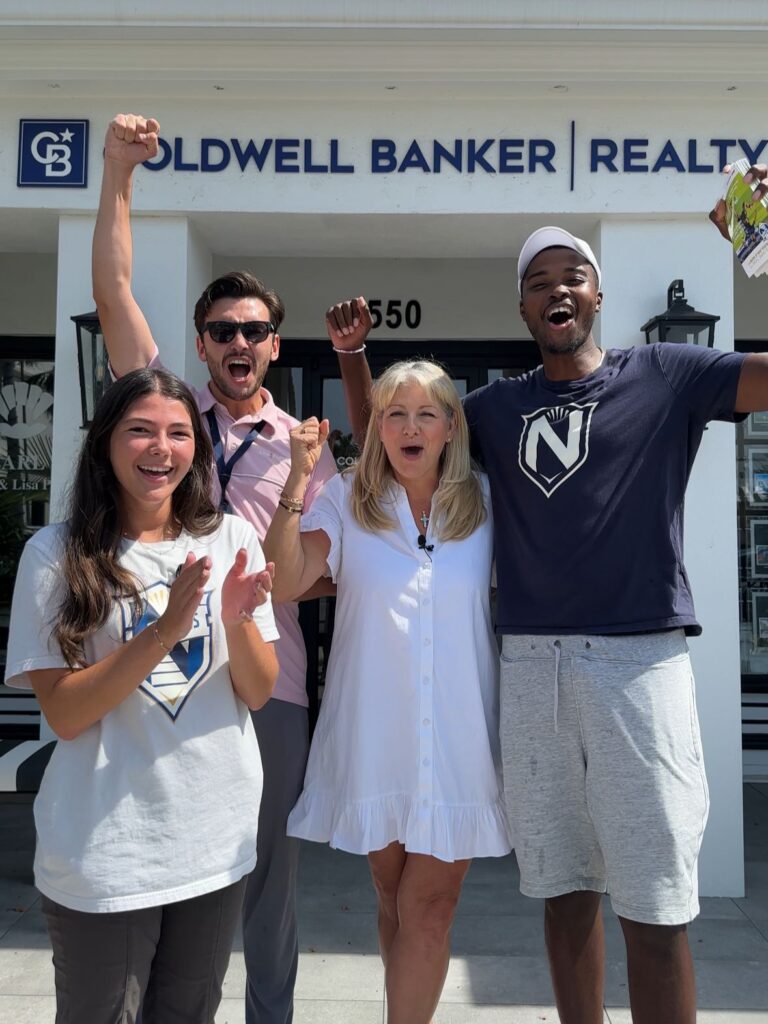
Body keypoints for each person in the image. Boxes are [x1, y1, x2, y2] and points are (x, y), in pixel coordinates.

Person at [329, 165, 768, 1024]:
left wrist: (760, 253)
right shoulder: (494, 411)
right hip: (530, 669)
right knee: (564, 897)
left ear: (596, 294)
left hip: (638, 666)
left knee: (655, 905)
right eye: (538, 282)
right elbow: (393, 438)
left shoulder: (666, 374)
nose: (556, 289)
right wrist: (352, 361)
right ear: (523, 308)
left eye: (572, 276)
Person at [92, 113, 338, 1024]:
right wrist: (118, 175)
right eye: (223, 329)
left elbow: (311, 577)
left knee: (269, 884)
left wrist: (297, 486)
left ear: (274, 345)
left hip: (271, 681)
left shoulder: (309, 448)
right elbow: (114, 292)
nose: (240, 343)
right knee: (165, 864)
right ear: (201, 343)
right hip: (161, 670)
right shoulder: (167, 417)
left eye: (256, 330)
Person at [4, 368, 280, 1024]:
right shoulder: (55, 553)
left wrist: (236, 619)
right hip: (105, 845)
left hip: (212, 836)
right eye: (140, 430)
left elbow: (258, 691)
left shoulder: (230, 539)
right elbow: (65, 713)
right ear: (105, 442)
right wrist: (164, 630)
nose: (161, 448)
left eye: (179, 433)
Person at [263, 360, 511, 1024]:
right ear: (376, 428)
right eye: (395, 414)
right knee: (394, 899)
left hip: (458, 738)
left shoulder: (489, 503)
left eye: (426, 414)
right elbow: (285, 581)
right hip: (375, 734)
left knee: (430, 907)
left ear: (450, 426)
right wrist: (296, 479)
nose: (410, 427)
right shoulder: (347, 499)